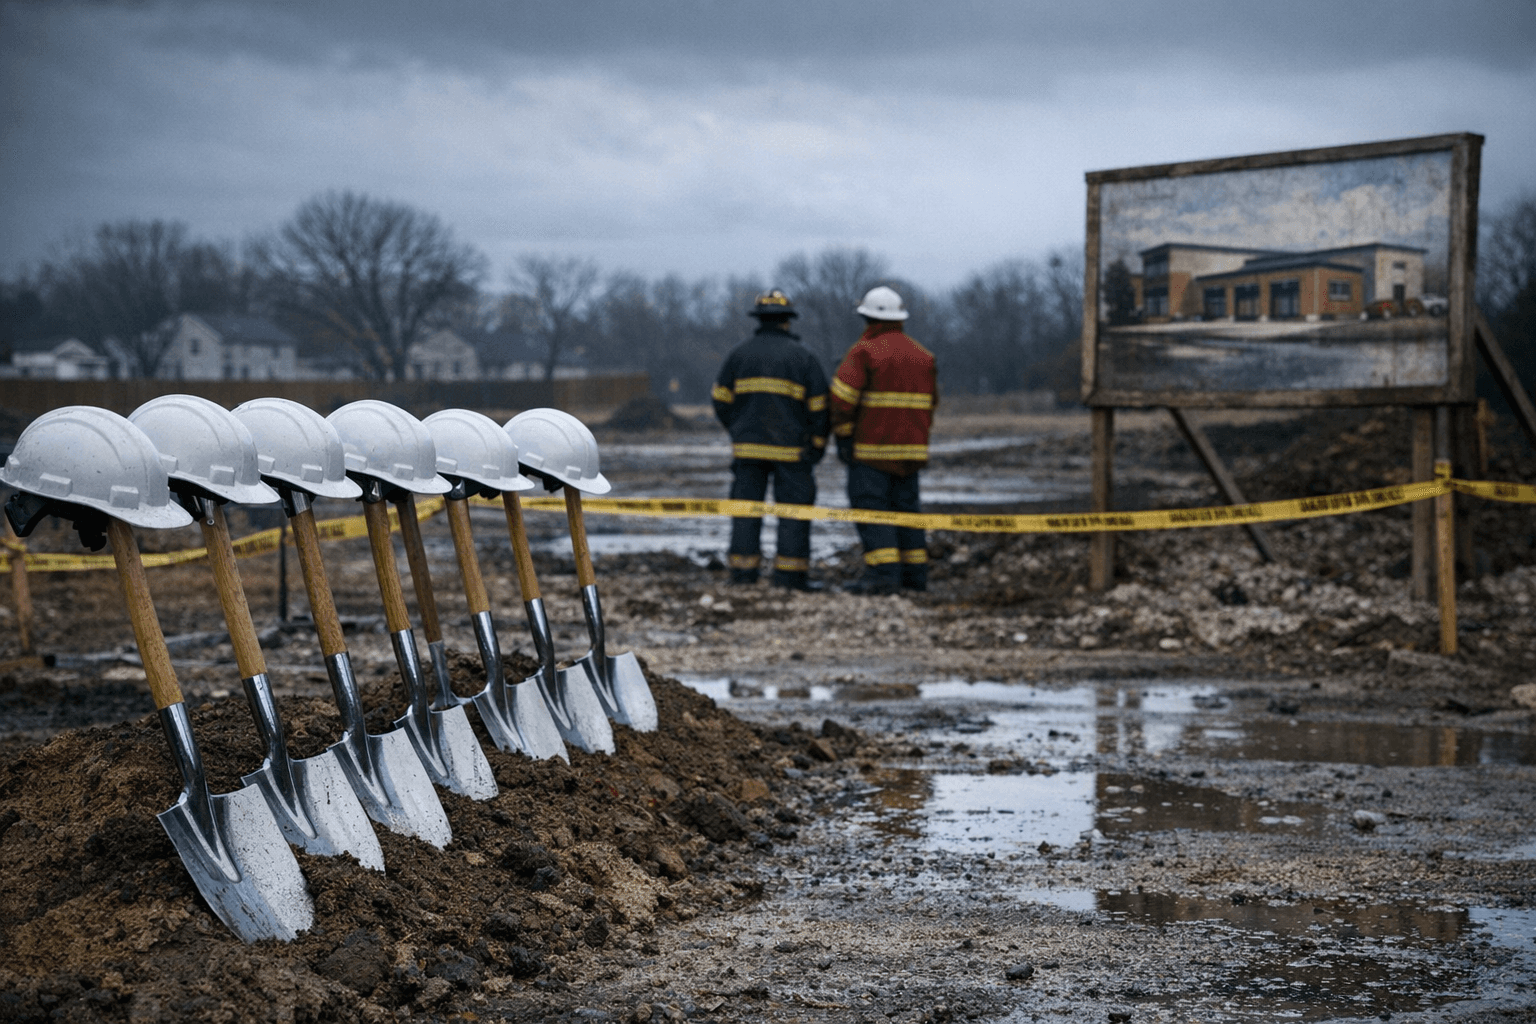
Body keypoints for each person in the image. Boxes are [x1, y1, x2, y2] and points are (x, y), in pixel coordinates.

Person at [712, 289, 830, 591]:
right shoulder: (804, 357)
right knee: (793, 514)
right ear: (787, 321)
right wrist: (816, 444)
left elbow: (720, 399)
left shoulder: (739, 355)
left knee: (745, 513)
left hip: (748, 450)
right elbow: (819, 407)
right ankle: (789, 578)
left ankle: (743, 575)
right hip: (792, 454)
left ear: (759, 320)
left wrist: (738, 429)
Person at [830, 285, 938, 595]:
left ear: (867, 317)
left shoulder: (863, 352)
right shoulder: (924, 356)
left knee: (871, 511)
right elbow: (932, 403)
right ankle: (915, 576)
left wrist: (845, 439)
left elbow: (841, 401)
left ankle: (883, 575)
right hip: (911, 454)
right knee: (907, 512)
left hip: (871, 453)